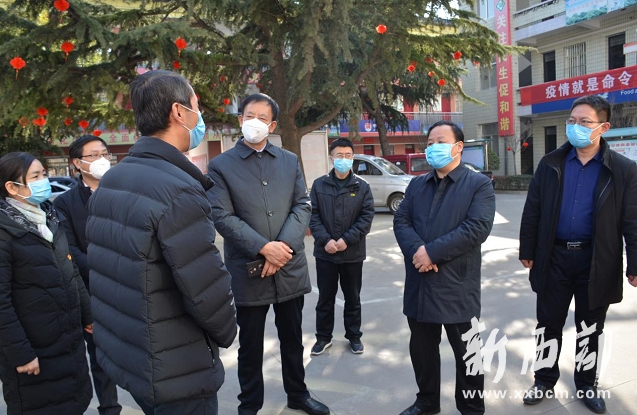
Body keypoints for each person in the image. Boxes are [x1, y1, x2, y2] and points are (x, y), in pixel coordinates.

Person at [85, 70, 237, 415]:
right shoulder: (178, 188)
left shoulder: (114, 178)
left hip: (132, 353)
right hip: (175, 367)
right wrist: (227, 330)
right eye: (196, 106)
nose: (200, 117)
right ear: (179, 112)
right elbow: (205, 286)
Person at [207, 93, 330, 415]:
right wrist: (264, 249)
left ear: (272, 125)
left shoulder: (288, 160)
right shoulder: (221, 166)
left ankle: (298, 395)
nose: (255, 122)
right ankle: (249, 405)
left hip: (289, 267)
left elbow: (302, 204)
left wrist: (282, 249)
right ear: (240, 120)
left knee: (293, 339)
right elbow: (221, 216)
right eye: (250, 116)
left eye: (263, 118)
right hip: (249, 269)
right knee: (250, 345)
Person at [519, 95, 637, 414]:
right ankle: (544, 380)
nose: (576, 127)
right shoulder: (551, 163)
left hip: (596, 260)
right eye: (571, 121)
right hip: (554, 257)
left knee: (590, 328)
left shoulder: (623, 170)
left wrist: (635, 263)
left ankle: (586, 384)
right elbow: (533, 209)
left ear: (603, 127)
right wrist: (527, 249)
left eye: (584, 122)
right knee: (548, 323)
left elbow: (632, 220)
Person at [393, 120, 495, 415]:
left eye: (440, 141)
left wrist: (432, 253)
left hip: (456, 284)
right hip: (420, 281)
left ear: (458, 147)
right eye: (430, 143)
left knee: (467, 352)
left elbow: (476, 228)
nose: (433, 147)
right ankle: (427, 402)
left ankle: (472, 408)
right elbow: (402, 221)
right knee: (422, 350)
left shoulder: (478, 184)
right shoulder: (417, 184)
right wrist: (418, 252)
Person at [0, 152, 93, 414]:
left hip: (67, 341)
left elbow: (71, 271)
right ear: (12, 187)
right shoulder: (5, 230)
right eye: (36, 176)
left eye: (44, 173)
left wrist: (88, 315)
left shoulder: (48, 217)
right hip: (33, 351)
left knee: (73, 402)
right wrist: (21, 353)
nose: (45, 180)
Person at [53, 135, 121, 415]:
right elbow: (70, 250)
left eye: (104, 153)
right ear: (77, 163)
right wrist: (106, 271)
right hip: (92, 291)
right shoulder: (65, 202)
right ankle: (109, 408)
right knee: (100, 355)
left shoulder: (122, 192)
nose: (101, 159)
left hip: (129, 285)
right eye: (93, 155)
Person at [309, 138, 374, 356]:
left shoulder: (362, 187)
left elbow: (366, 218)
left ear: (353, 158)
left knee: (352, 298)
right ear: (331, 158)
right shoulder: (319, 185)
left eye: (348, 156)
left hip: (352, 254)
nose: (343, 159)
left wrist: (346, 240)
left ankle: (354, 336)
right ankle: (323, 338)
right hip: (325, 253)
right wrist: (325, 240)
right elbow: (313, 216)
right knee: (325, 299)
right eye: (339, 155)